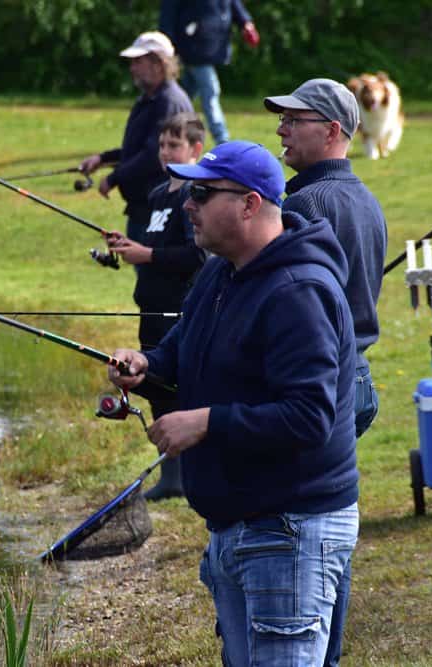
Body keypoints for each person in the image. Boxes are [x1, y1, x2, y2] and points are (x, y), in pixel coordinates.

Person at [108, 140, 359, 665]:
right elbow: (183, 351)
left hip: (289, 529)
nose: (187, 204)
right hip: (238, 525)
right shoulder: (219, 272)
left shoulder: (297, 291)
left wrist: (206, 423)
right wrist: (147, 367)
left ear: (248, 204)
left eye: (202, 192)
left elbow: (309, 417)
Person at [263, 77, 388, 667]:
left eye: (295, 120)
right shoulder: (365, 197)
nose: (281, 129)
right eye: (282, 119)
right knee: (327, 526)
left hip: (323, 383)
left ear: (332, 130)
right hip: (357, 377)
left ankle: (315, 651)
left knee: (306, 530)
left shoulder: (303, 204)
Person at [107, 112, 207, 500]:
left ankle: (180, 474)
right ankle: (172, 471)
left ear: (196, 150)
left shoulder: (193, 194)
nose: (165, 152)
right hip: (149, 306)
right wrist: (122, 249)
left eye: (174, 145)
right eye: (163, 145)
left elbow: (196, 256)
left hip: (177, 309)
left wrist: (146, 254)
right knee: (154, 387)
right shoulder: (156, 194)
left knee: (174, 386)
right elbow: (149, 248)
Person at [80, 31, 193, 245]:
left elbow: (153, 156)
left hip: (158, 208)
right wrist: (102, 158)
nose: (132, 68)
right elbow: (136, 148)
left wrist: (114, 178)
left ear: (159, 64)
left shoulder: (168, 102)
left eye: (138, 62)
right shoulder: (149, 99)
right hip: (142, 207)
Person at [159, 0, 260, 145]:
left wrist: (245, 23)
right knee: (210, 91)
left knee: (185, 95)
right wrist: (168, 46)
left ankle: (164, 127)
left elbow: (233, 5)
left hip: (212, 47)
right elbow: (168, 16)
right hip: (192, 47)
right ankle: (222, 139)